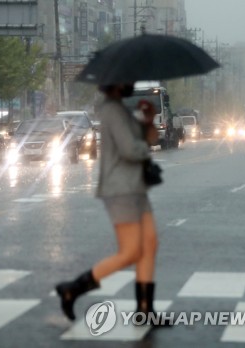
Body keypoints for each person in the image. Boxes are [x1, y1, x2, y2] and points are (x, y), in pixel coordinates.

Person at [55, 82, 169, 326]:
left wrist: (149, 121)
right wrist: (144, 149)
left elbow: (151, 138)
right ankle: (72, 289)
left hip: (134, 186)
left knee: (149, 244)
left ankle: (145, 310)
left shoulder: (122, 110)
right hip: (120, 189)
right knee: (131, 252)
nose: (131, 83)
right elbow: (131, 149)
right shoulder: (112, 111)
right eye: (127, 79)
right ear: (116, 83)